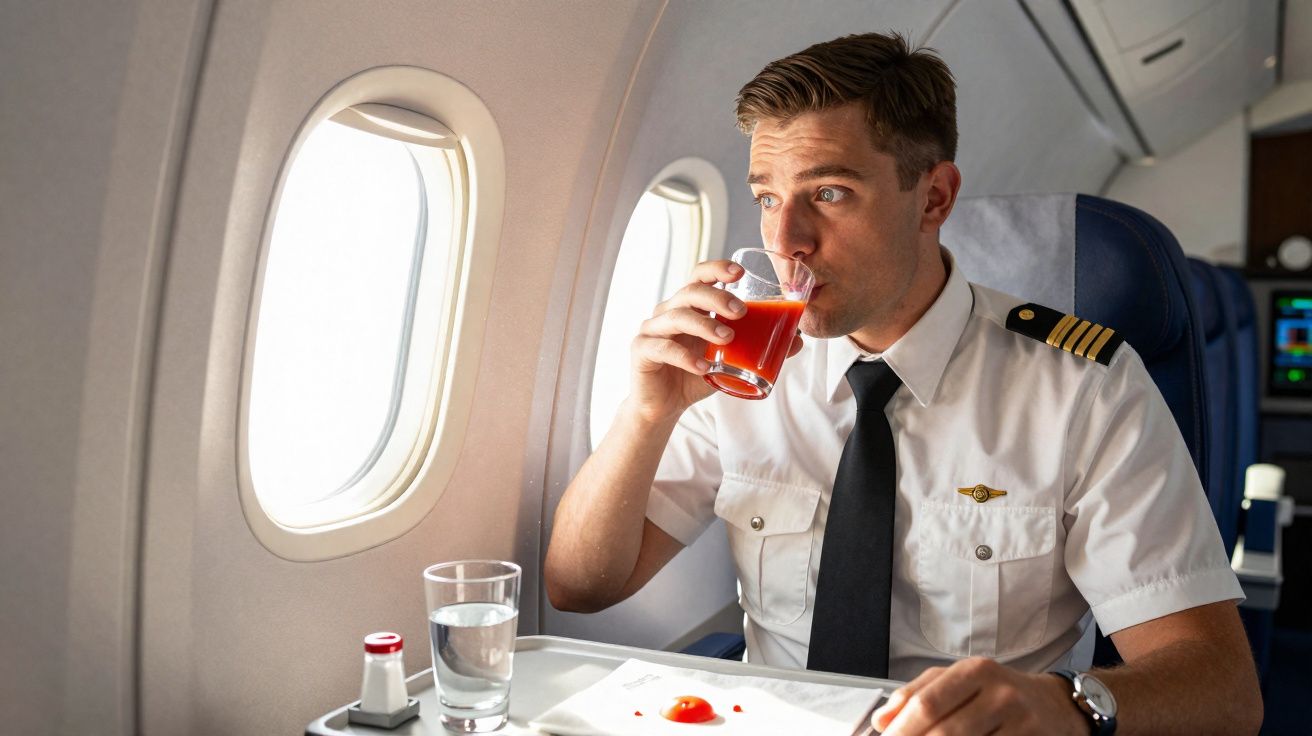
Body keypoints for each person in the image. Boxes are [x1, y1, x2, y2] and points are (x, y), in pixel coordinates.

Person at [544, 31, 1263, 735]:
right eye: (766, 198)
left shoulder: (1082, 391)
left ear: (934, 199)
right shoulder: (740, 371)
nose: (786, 240)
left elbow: (1224, 689)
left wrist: (1061, 707)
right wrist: (648, 412)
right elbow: (579, 586)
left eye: (829, 193)